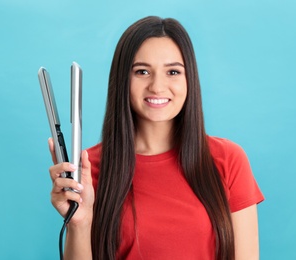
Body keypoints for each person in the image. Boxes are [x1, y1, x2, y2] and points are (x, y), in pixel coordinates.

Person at [48, 16, 264, 260]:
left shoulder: (227, 159)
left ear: (189, 79)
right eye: (142, 71)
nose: (158, 86)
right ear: (122, 80)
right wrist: (79, 223)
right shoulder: (89, 169)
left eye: (173, 71)